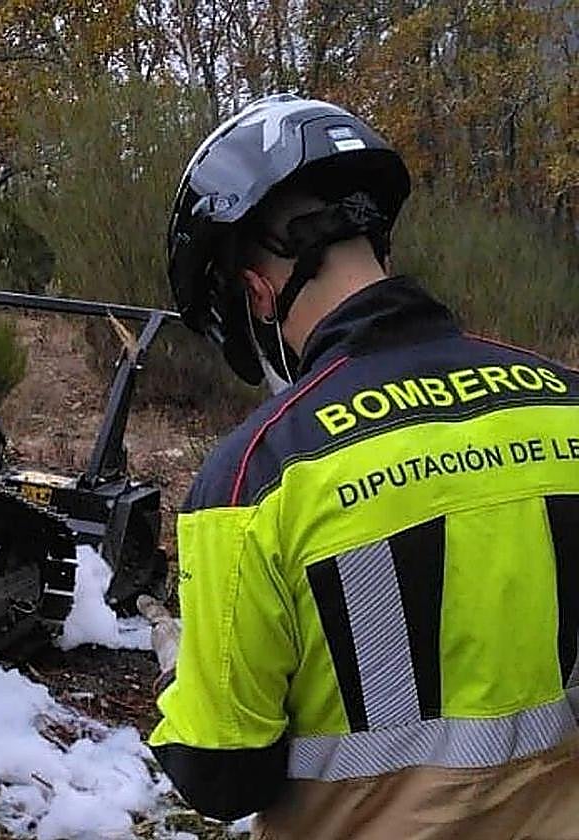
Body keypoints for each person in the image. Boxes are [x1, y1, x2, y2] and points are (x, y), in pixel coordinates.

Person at [140, 93, 579, 839]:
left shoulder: (254, 477)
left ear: (257, 294)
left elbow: (220, 773)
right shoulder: (565, 401)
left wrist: (183, 674)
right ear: (380, 250)